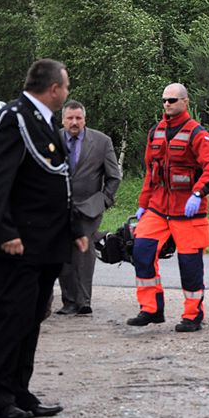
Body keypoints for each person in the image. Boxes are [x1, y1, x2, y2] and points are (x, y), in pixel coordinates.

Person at [0, 58, 88, 418]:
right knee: (11, 321)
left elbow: (59, 182)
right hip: (19, 244)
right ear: (54, 88)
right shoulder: (14, 118)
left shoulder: (41, 121)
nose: (68, 92)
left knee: (30, 321)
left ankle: (19, 392)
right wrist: (5, 231)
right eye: (66, 85)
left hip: (45, 244)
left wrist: (74, 230)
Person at [129, 83, 209, 333]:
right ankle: (151, 309)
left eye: (172, 100)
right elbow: (151, 173)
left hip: (188, 211)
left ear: (185, 102)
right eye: (164, 100)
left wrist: (198, 193)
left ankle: (193, 315)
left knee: (190, 265)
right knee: (141, 252)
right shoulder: (155, 132)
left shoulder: (197, 133)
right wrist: (143, 205)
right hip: (158, 208)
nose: (167, 104)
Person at [56, 101, 122, 315]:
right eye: (70, 118)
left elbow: (114, 176)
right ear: (63, 119)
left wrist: (104, 200)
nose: (74, 122)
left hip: (89, 207)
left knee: (83, 252)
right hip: (58, 208)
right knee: (63, 253)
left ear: (84, 119)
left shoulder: (102, 142)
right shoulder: (51, 140)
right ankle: (69, 302)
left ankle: (84, 301)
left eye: (78, 118)